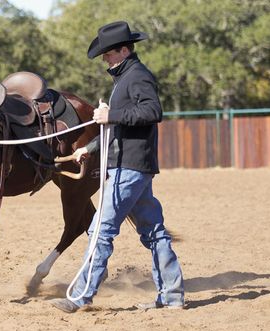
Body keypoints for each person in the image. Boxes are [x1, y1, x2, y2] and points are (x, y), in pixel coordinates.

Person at [50, 21, 185, 313]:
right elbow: (119, 128)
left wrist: (112, 114)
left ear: (124, 50)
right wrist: (89, 148)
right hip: (134, 166)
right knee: (154, 231)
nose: (105, 60)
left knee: (100, 230)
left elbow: (152, 111)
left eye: (108, 54)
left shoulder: (137, 77)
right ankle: (172, 296)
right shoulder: (126, 77)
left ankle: (81, 296)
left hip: (129, 168)